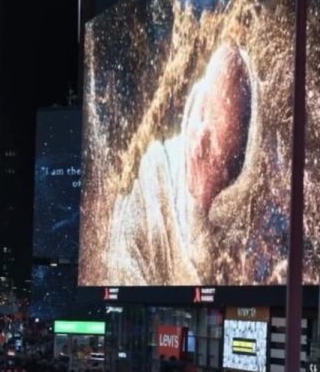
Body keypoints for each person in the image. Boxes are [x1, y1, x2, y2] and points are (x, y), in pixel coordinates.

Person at [103, 42, 261, 285]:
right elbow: (121, 266)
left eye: (213, 149)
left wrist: (203, 198)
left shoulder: (242, 230)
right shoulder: (154, 174)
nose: (198, 143)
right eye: (202, 114)